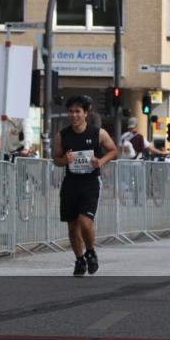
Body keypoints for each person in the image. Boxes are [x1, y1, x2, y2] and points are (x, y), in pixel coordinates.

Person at [52, 95, 118, 276]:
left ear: (85, 113)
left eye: (78, 112)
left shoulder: (98, 133)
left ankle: (91, 251)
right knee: (72, 225)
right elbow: (56, 160)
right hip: (71, 183)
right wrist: (64, 160)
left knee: (84, 222)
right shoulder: (62, 136)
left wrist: (101, 161)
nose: (74, 115)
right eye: (71, 112)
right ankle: (79, 259)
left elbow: (113, 150)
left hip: (90, 182)